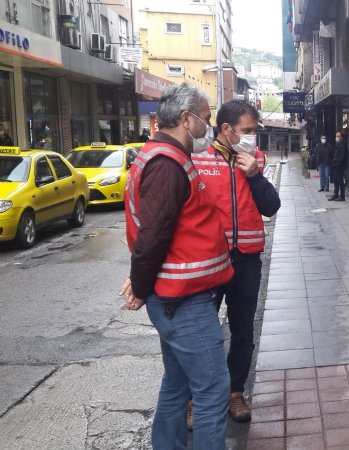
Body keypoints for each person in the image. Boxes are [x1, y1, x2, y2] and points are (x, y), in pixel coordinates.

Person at [119, 82, 234, 449]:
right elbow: (152, 235)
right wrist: (140, 284)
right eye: (205, 118)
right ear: (186, 119)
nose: (208, 127)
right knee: (213, 389)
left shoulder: (163, 156)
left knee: (177, 383)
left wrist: (142, 282)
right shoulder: (167, 164)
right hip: (183, 303)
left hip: (176, 300)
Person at [191, 99, 281, 425]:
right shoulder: (198, 162)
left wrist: (255, 175)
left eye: (254, 131)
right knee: (203, 333)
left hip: (247, 260)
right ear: (226, 129)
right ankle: (194, 399)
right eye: (247, 131)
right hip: (210, 262)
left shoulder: (254, 160)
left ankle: (235, 392)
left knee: (243, 331)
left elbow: (271, 206)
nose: (252, 137)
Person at [329, 131, 347, 201]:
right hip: (336, 165)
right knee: (336, 181)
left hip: (340, 166)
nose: (336, 138)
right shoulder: (338, 144)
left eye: (338, 136)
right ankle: (335, 195)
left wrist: (337, 163)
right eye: (336, 136)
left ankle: (342, 196)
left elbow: (342, 156)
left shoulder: (342, 145)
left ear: (341, 137)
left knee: (340, 181)